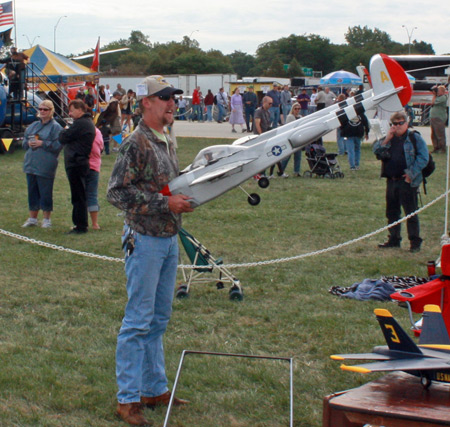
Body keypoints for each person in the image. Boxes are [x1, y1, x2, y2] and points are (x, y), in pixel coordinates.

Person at [107, 75, 194, 427]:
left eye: (173, 98)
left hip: (168, 239)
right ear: (146, 102)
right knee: (138, 321)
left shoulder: (166, 139)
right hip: (143, 240)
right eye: (164, 98)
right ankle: (128, 399)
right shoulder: (136, 142)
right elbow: (116, 193)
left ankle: (154, 389)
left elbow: (166, 185)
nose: (171, 104)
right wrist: (165, 203)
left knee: (158, 319)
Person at [373, 111, 429, 253]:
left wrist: (411, 174)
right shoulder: (389, 138)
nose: (397, 126)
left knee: (410, 213)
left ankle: (415, 242)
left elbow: (423, 157)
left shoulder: (414, 138)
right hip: (391, 180)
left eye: (400, 123)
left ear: (406, 123)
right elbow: (377, 151)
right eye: (394, 124)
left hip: (407, 181)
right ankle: (394, 239)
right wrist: (387, 139)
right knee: (392, 212)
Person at [22, 100, 63, 228]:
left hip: (46, 164)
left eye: (45, 109)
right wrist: (28, 143)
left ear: (51, 111)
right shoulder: (33, 126)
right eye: (40, 109)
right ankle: (32, 218)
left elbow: (58, 146)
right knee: (32, 191)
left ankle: (46, 219)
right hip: (31, 163)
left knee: (45, 192)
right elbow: (24, 143)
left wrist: (43, 143)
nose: (42, 111)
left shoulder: (56, 127)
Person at [59, 99, 96, 234]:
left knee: (78, 196)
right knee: (78, 195)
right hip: (77, 162)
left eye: (72, 110)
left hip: (77, 163)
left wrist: (64, 131)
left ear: (80, 110)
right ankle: (79, 223)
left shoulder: (81, 124)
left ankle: (81, 225)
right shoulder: (85, 123)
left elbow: (63, 137)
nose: (70, 113)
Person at [86, 127, 104, 230]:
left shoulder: (81, 129)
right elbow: (100, 148)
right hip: (95, 165)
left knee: (82, 195)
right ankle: (95, 223)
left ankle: (83, 222)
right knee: (92, 195)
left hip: (83, 164)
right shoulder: (97, 131)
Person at [280, 103, 302, 177]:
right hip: (290, 139)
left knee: (298, 156)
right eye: (296, 109)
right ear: (293, 109)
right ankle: (281, 170)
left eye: (299, 109)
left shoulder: (300, 117)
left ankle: (297, 171)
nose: (297, 110)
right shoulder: (290, 117)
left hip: (298, 139)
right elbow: (292, 127)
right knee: (287, 156)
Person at [429, 85, 448, 153]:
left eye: (438, 90)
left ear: (443, 91)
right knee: (434, 134)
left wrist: (434, 95)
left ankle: (442, 148)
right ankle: (436, 147)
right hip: (434, 118)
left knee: (440, 134)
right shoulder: (438, 97)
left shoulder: (443, 97)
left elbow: (433, 103)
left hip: (439, 118)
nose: (437, 92)